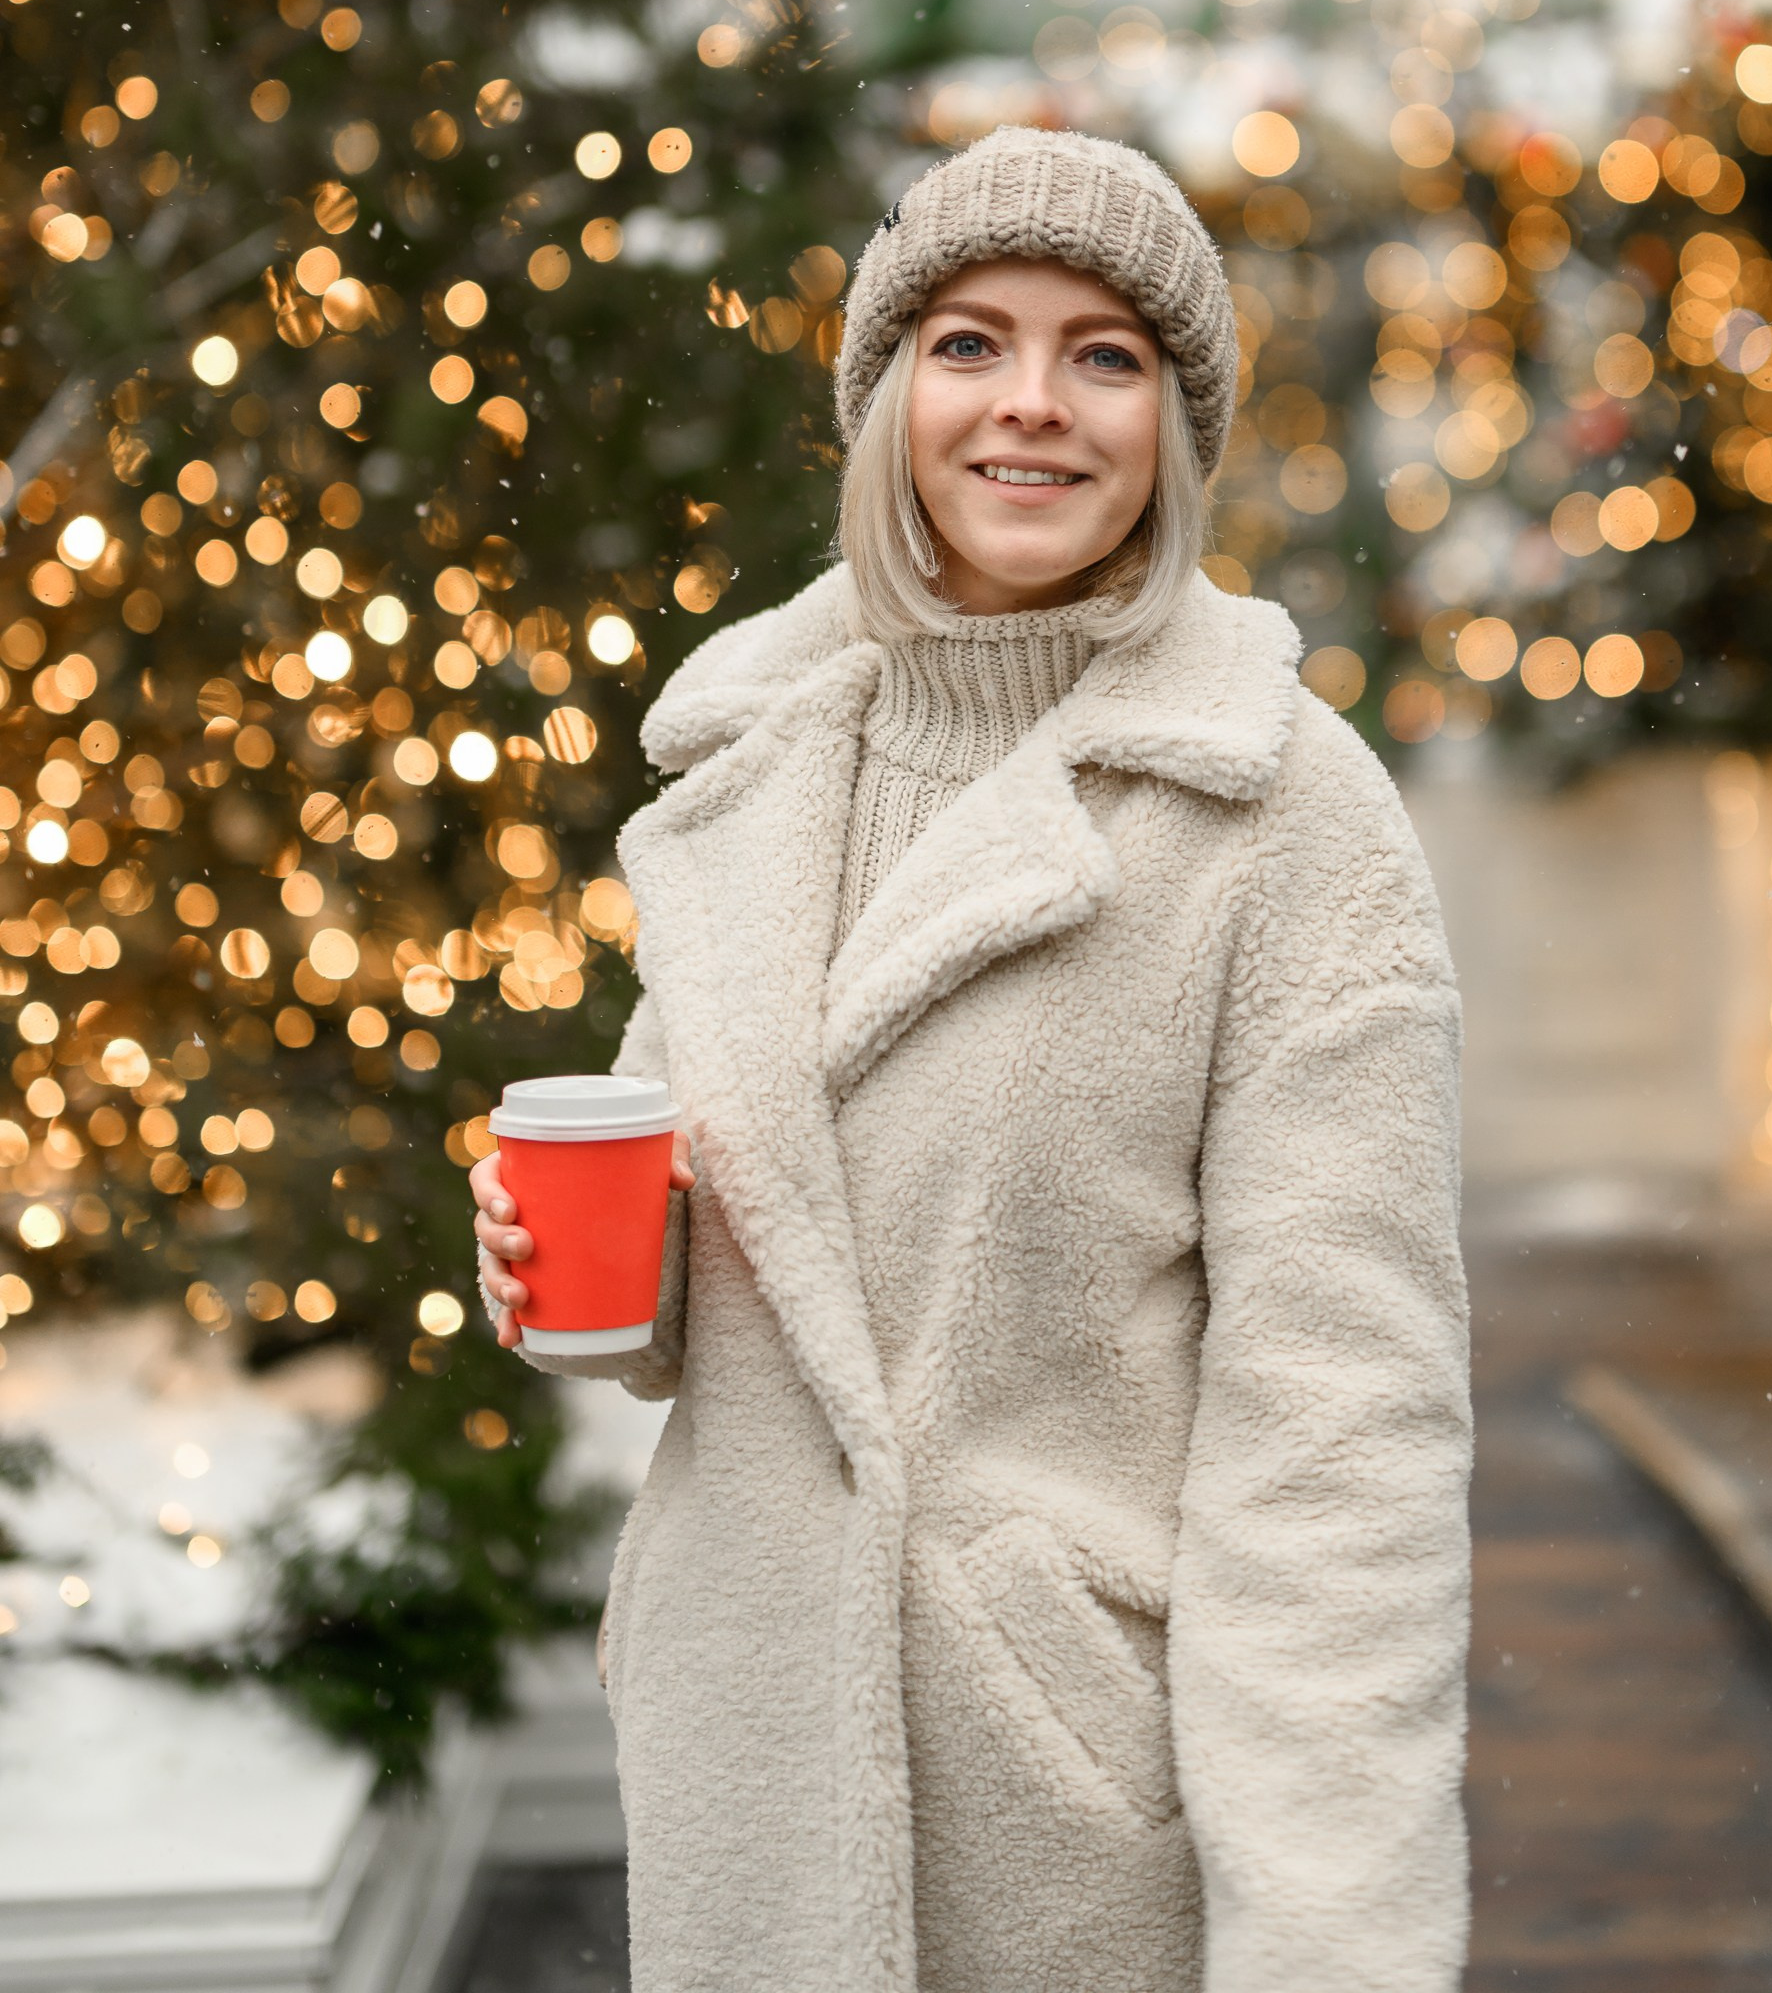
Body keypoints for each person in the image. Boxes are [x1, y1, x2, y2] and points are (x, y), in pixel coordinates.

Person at [471, 125, 1470, 1993]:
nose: (1032, 405)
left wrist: (1332, 1943)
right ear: (884, 399)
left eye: (1105, 355)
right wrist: (567, 1274)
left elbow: (1341, 1452)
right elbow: (740, 1271)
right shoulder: (755, 759)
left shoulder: (1279, 817)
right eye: (967, 343)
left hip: (1056, 1815)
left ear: (1175, 425)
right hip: (742, 1758)